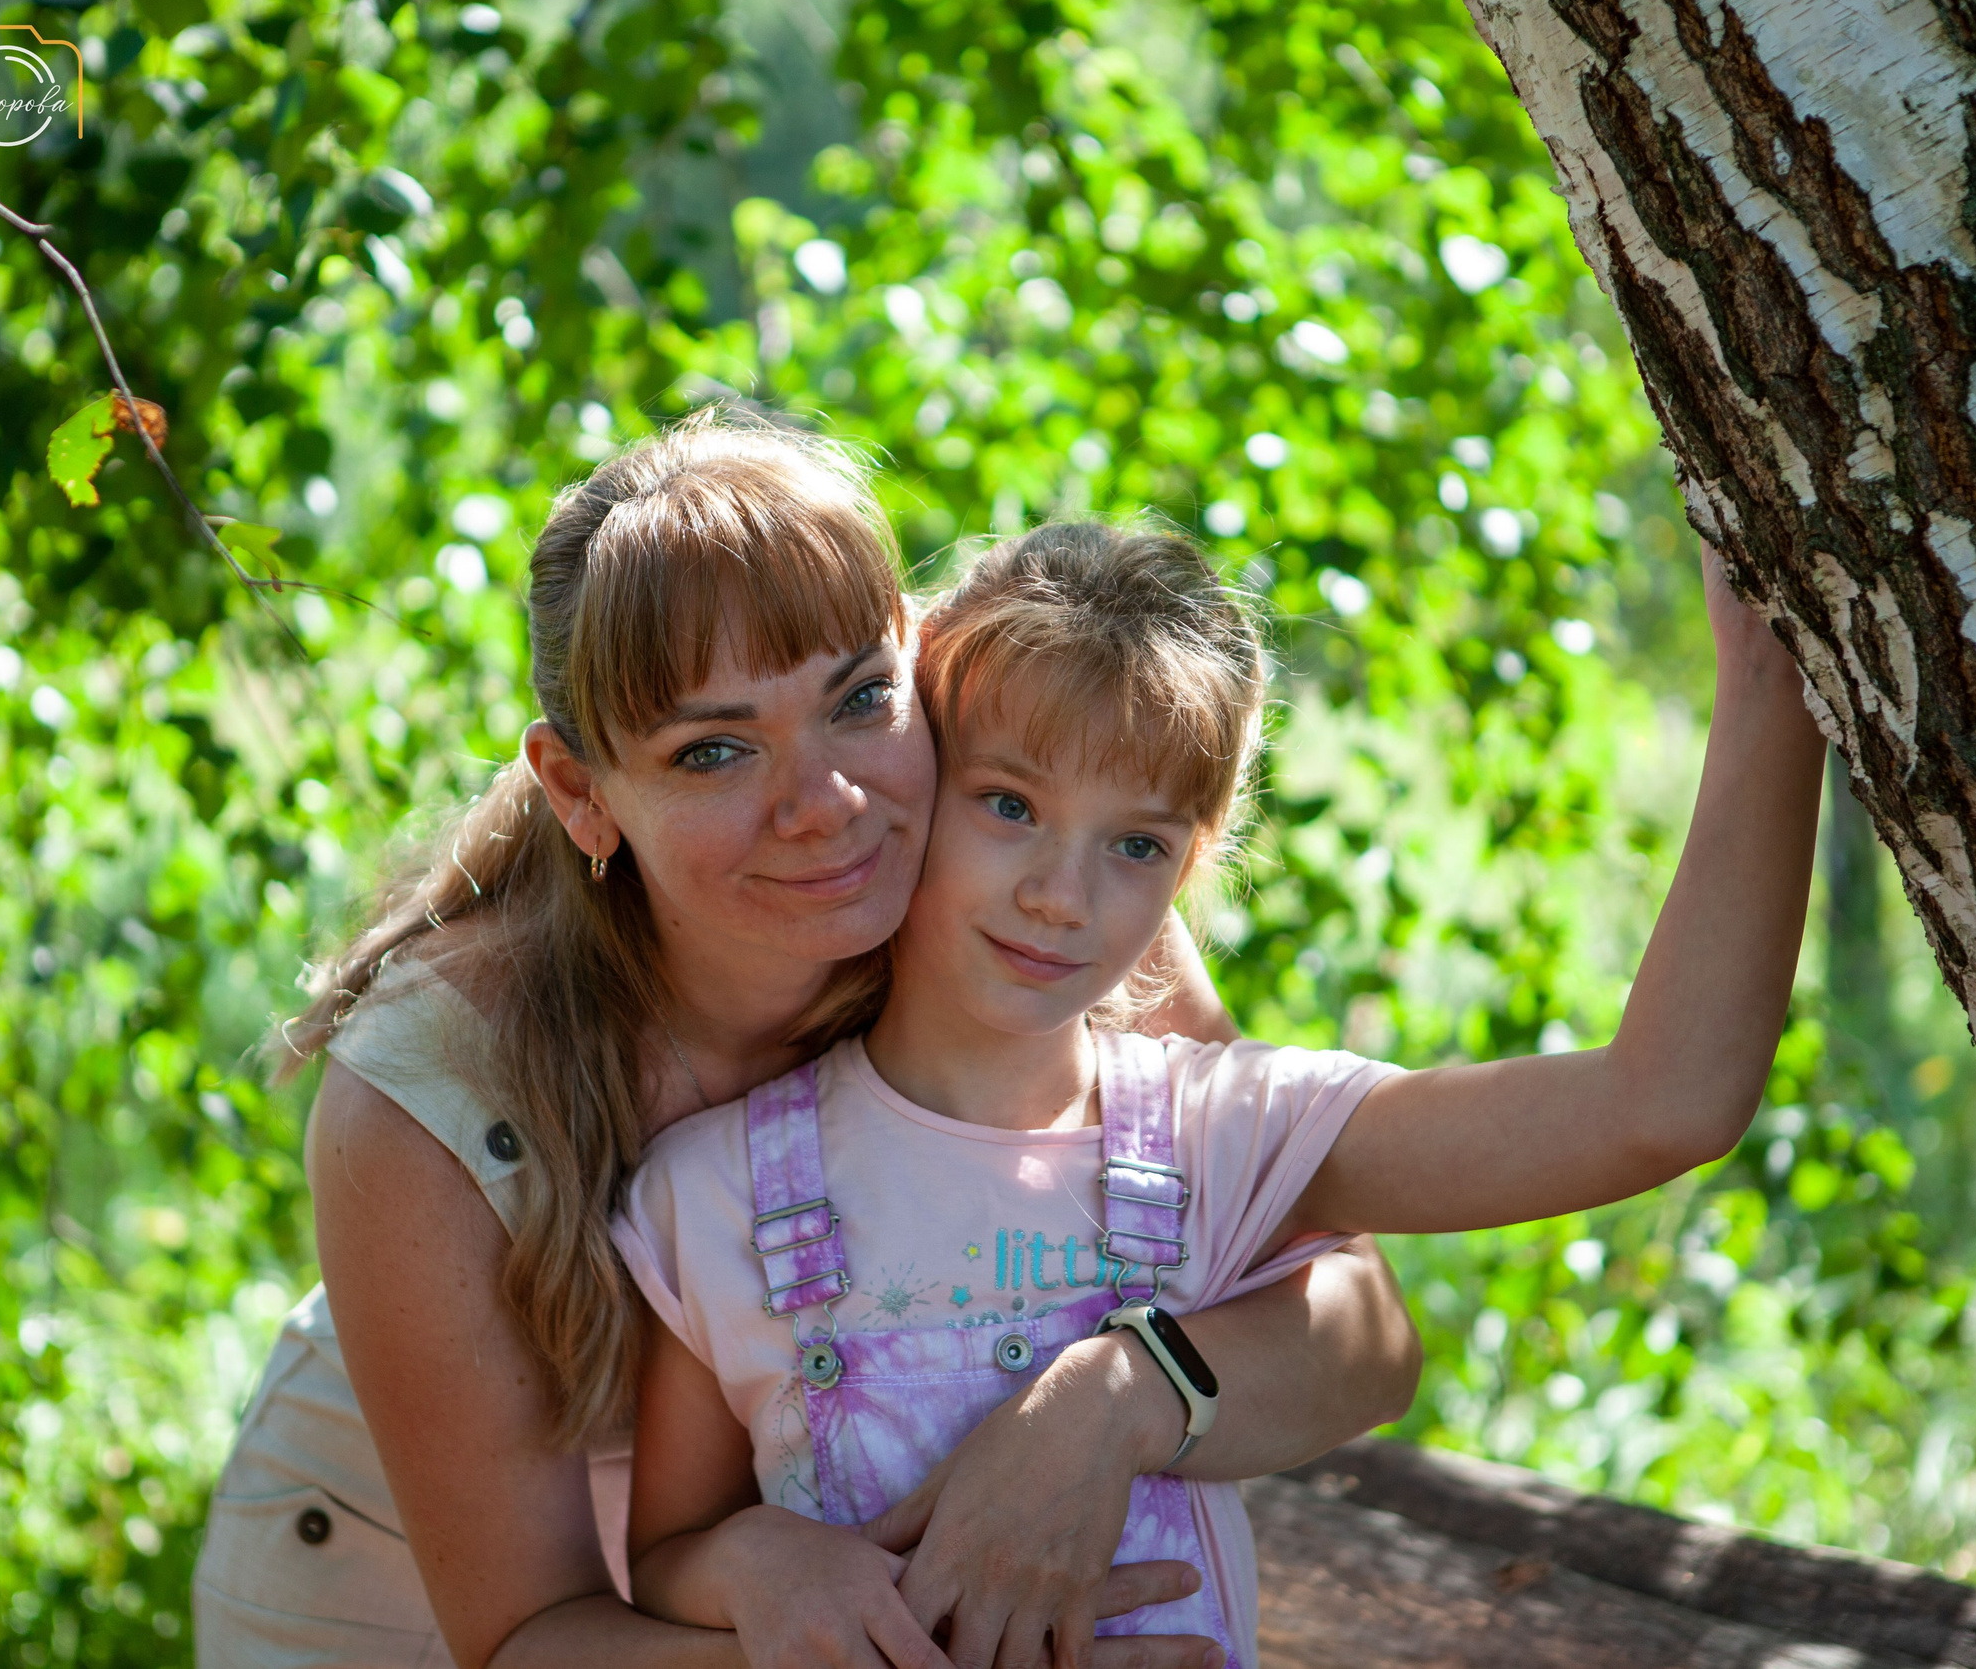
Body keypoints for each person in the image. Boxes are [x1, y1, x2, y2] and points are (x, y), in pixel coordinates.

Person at [191, 412, 1422, 1668]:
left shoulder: (1031, 893)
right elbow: (524, 1638)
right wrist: (907, 1643)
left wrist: (1116, 1402)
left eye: (856, 700)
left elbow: (1361, 1335)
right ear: (580, 791)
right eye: (714, 750)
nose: (826, 807)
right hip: (396, 1601)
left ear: (919, 663)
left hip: (819, 1594)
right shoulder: (431, 1091)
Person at [615, 517, 1824, 1669]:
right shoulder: (716, 1189)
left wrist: (1775, 694)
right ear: (917, 780)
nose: (1061, 895)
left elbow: (1663, 1107)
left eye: (1134, 844)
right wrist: (761, 1562)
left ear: (1192, 866)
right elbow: (669, 1552)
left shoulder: (1223, 1138)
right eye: (1010, 806)